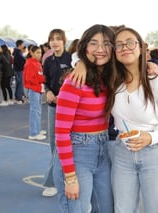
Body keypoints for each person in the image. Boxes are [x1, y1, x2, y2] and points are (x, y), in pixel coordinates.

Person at [105, 27, 158, 213]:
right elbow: (88, 60)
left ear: (141, 48)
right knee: (122, 209)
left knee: (156, 209)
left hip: (154, 154)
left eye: (130, 42)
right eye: (119, 45)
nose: (125, 48)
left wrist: (150, 137)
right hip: (122, 153)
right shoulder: (112, 82)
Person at [53, 24, 115, 213]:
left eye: (106, 43)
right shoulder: (75, 81)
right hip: (78, 153)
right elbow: (61, 131)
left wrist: (150, 65)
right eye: (93, 43)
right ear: (85, 47)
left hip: (103, 152)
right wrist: (70, 177)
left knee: (106, 209)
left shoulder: (111, 77)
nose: (100, 49)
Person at [42, 29, 72, 197]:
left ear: (64, 41)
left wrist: (65, 96)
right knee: (54, 145)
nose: (55, 42)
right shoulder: (48, 61)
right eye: (52, 39)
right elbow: (45, 81)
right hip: (53, 108)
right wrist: (48, 91)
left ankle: (55, 181)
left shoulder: (72, 59)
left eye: (58, 39)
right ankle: (57, 179)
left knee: (69, 145)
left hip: (70, 109)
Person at [23, 45, 46, 140]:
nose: (39, 55)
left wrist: (41, 79)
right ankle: (33, 133)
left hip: (38, 88)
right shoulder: (30, 63)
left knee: (38, 110)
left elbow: (38, 75)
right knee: (34, 111)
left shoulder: (37, 63)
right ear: (31, 53)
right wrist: (42, 78)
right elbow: (29, 79)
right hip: (33, 89)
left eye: (40, 52)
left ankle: (37, 129)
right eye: (37, 52)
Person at [12, 39, 26, 104]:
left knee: (19, 84)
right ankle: (19, 98)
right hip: (19, 70)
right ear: (19, 45)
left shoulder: (18, 52)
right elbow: (19, 62)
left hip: (19, 70)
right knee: (20, 84)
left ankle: (18, 97)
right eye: (23, 45)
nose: (23, 46)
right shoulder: (17, 53)